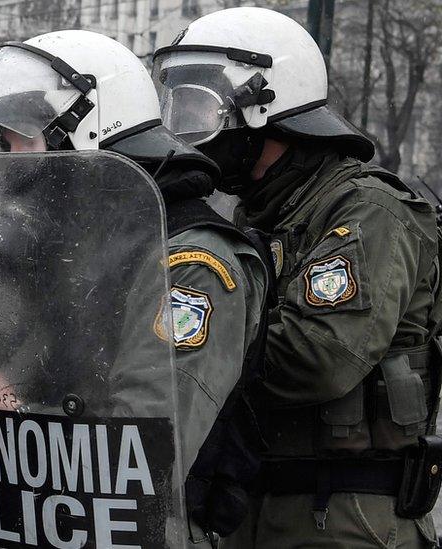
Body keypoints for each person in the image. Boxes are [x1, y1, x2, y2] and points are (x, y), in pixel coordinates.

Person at [0, 29, 269, 547]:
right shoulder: (96, 246)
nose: (6, 159)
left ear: (84, 132)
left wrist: (14, 418)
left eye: (15, 137)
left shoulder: (189, 262)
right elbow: (46, 353)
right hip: (51, 523)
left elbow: (146, 450)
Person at [154, 7, 441, 548]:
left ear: (269, 107)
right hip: (257, 507)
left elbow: (318, 358)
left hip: (344, 517)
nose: (186, 127)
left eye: (201, 106)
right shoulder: (264, 213)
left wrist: (175, 348)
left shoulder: (367, 210)